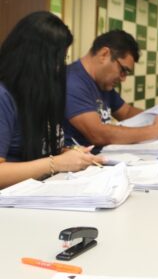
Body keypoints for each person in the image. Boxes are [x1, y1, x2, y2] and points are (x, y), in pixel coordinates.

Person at [0, 12, 104, 189]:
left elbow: (41, 151)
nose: (60, 67)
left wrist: (72, 156)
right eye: (57, 59)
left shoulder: (39, 93)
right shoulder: (4, 96)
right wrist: (57, 163)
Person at [64, 30, 158, 147]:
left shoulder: (102, 83)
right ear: (104, 54)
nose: (123, 79)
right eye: (123, 70)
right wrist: (156, 131)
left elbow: (126, 112)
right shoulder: (72, 82)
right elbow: (98, 134)